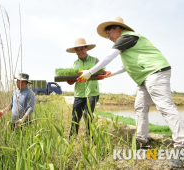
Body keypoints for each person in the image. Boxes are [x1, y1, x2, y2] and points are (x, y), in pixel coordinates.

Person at [77, 16, 184, 168]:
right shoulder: (128, 42)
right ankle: (142, 142)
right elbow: (127, 65)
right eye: (107, 35)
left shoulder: (127, 37)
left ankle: (181, 147)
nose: (109, 37)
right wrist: (110, 73)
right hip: (144, 77)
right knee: (140, 107)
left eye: (109, 33)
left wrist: (90, 71)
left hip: (155, 73)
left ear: (118, 28)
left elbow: (110, 56)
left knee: (165, 107)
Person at [66, 38, 100, 140]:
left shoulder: (95, 60)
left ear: (86, 48)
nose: (80, 52)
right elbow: (71, 79)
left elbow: (102, 72)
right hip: (79, 93)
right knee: (75, 116)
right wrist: (70, 80)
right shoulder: (74, 64)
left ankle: (90, 137)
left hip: (92, 92)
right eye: (77, 50)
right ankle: (72, 137)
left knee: (87, 114)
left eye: (82, 49)